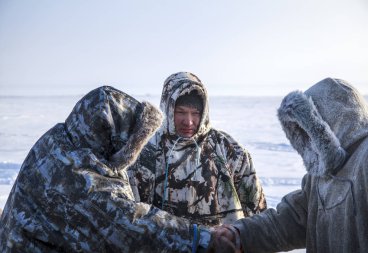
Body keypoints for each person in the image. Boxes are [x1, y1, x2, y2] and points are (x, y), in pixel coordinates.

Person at [0, 86, 212, 252]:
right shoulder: (74, 173)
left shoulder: (59, 141)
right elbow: (127, 225)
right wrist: (197, 237)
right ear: (113, 136)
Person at [208, 77, 368, 252]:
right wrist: (239, 234)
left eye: (310, 129)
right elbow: (289, 220)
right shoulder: (320, 175)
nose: (308, 139)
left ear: (330, 122)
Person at [129, 72, 267, 227]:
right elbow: (134, 216)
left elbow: (256, 211)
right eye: (180, 112)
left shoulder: (228, 150)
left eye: (195, 113)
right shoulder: (146, 151)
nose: (188, 121)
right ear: (168, 108)